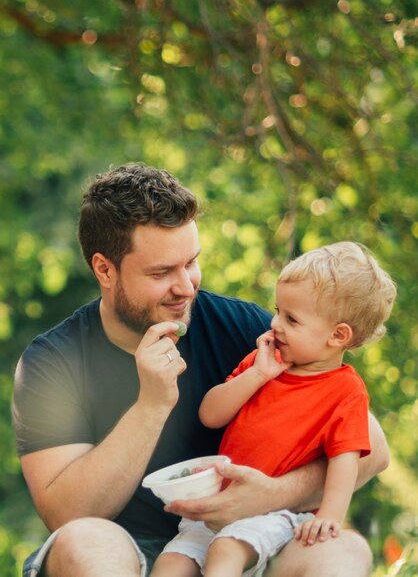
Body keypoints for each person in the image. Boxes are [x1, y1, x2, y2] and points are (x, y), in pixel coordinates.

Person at [12, 163, 390, 577]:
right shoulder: (52, 362)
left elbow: (373, 452)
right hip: (125, 556)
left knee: (341, 552)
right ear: (105, 269)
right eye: (161, 272)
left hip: (244, 542)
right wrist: (152, 405)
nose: (187, 286)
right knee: (86, 543)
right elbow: (68, 515)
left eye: (191, 262)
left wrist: (273, 494)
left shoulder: (247, 328)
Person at [150, 242, 396, 577]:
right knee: (171, 563)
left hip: (275, 515)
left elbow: (344, 461)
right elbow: (211, 415)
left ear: (337, 335)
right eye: (278, 310)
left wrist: (330, 516)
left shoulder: (345, 391)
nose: (275, 324)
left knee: (225, 553)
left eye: (291, 319)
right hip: (218, 507)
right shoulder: (263, 362)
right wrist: (258, 375)